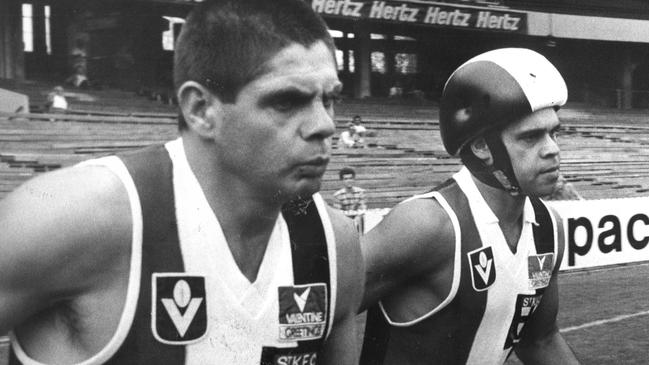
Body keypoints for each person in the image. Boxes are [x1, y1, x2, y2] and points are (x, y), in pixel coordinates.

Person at [0, 0, 363, 364]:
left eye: (330, 99)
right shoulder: (80, 218)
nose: (325, 124)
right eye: (286, 101)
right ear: (201, 110)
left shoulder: (334, 243)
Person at [360, 48, 580, 365]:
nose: (553, 150)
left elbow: (540, 339)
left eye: (554, 133)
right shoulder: (428, 224)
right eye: (531, 137)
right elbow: (319, 314)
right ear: (481, 146)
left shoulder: (549, 228)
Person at [332, 167, 367, 233]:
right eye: (346, 179)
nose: (349, 181)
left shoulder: (360, 192)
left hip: (357, 219)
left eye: (350, 178)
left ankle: (360, 239)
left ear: (354, 179)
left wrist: (358, 217)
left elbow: (362, 209)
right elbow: (338, 213)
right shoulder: (337, 195)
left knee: (361, 219)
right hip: (344, 221)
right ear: (342, 181)